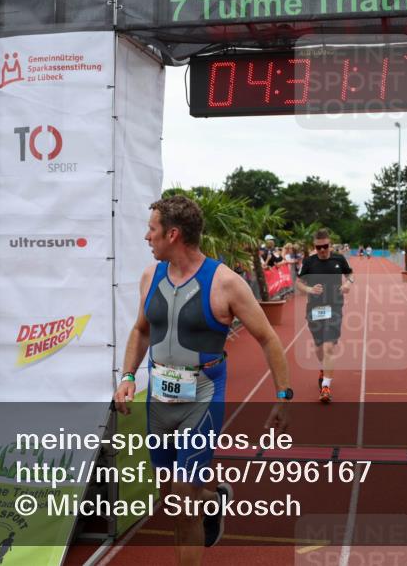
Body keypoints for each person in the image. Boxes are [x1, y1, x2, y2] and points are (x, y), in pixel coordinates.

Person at [113, 195, 292, 564]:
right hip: (159, 401)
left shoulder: (226, 283)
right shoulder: (150, 277)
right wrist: (128, 374)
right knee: (171, 496)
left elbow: (268, 338)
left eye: (152, 229)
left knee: (182, 497)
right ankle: (213, 499)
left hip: (202, 396)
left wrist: (283, 396)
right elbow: (140, 330)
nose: (147, 237)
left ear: (173, 234)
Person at [296, 229, 353, 403]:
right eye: (318, 247)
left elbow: (350, 273)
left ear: (330, 244)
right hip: (314, 309)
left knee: (329, 347)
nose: (322, 250)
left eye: (325, 246)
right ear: (314, 246)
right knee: (319, 347)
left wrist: (348, 283)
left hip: (334, 307)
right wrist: (309, 289)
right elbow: (298, 282)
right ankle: (323, 368)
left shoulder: (338, 259)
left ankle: (326, 387)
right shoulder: (309, 262)